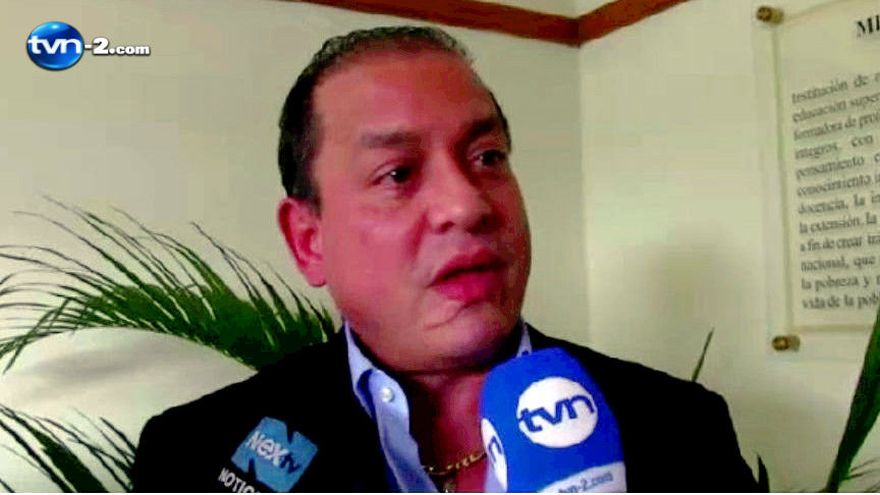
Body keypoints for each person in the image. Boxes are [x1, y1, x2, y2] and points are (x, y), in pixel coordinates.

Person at [131, 26, 758, 492]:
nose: (467, 205)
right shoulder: (191, 455)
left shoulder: (681, 429)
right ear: (308, 241)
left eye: (487, 157)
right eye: (398, 173)